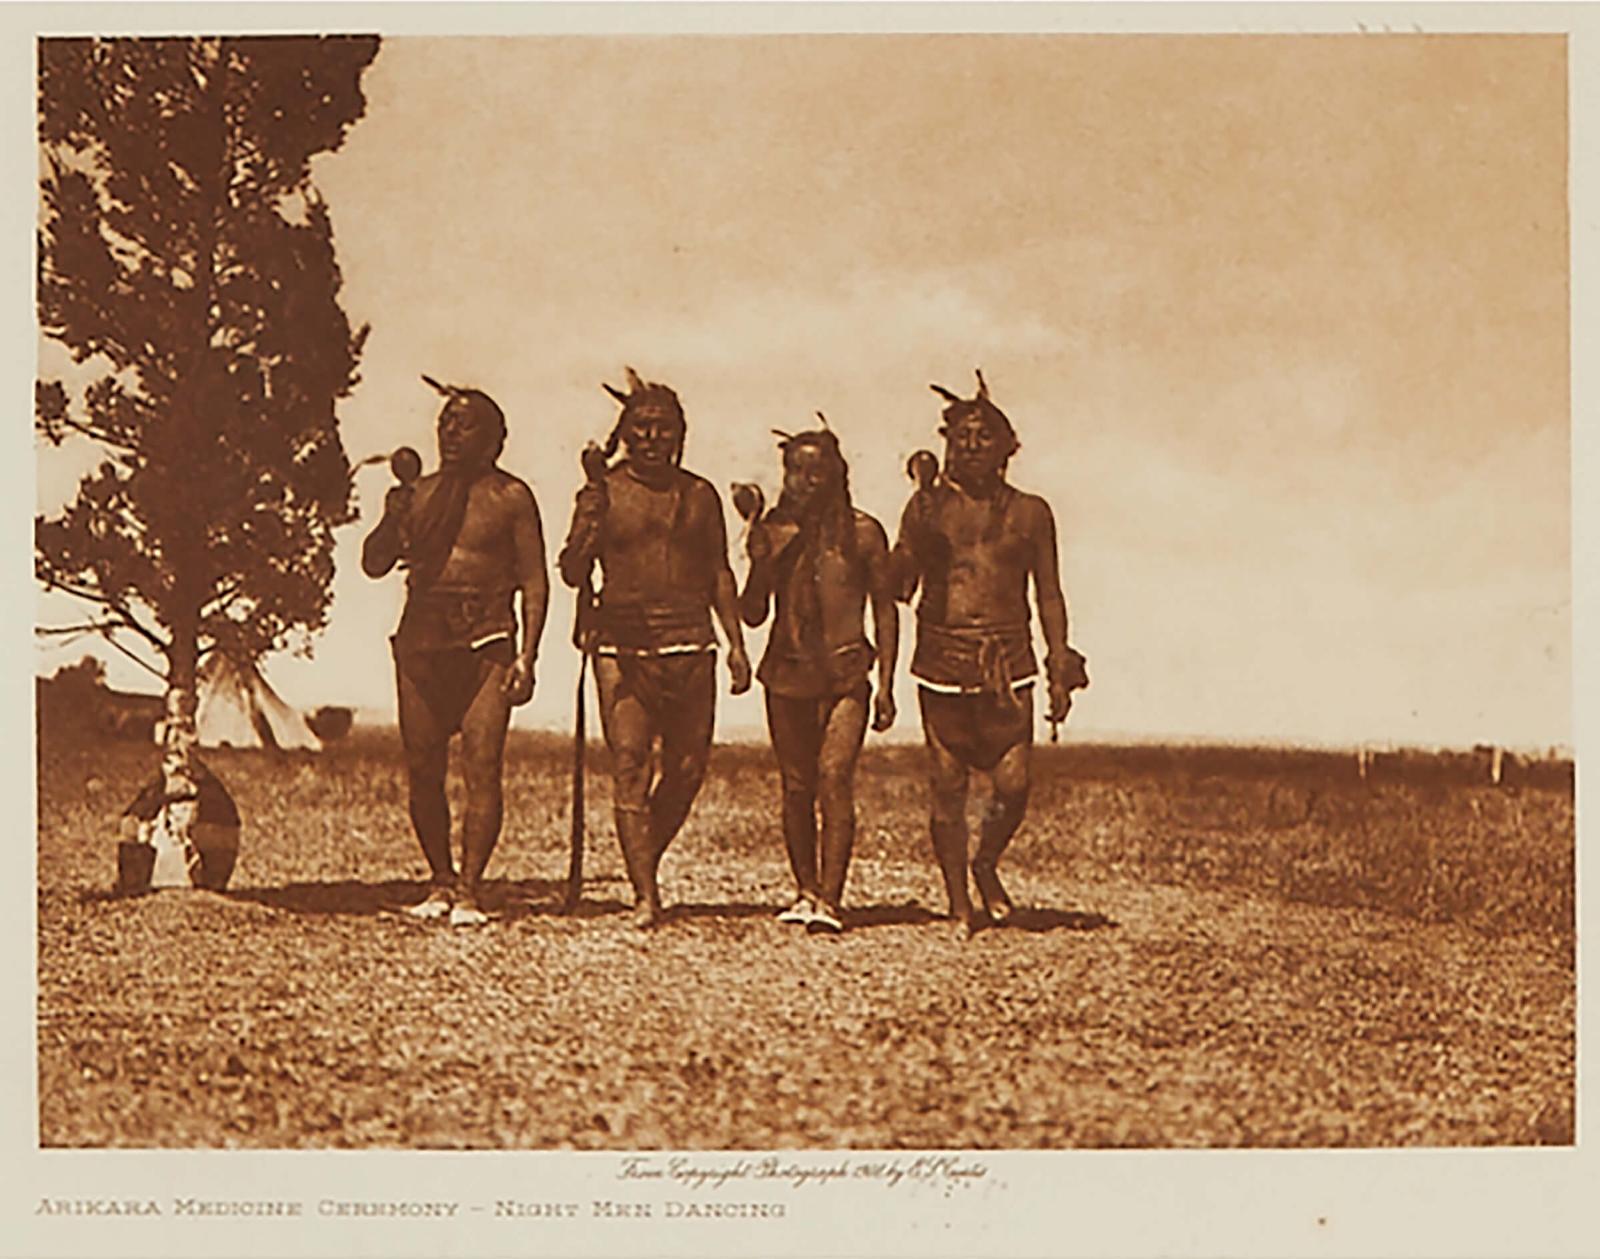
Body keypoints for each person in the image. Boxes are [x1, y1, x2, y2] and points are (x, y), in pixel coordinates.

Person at [892, 370, 1089, 935]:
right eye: (960, 438)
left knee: (1014, 785)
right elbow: (899, 586)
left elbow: (1048, 591)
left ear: (1008, 448)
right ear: (945, 447)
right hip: (941, 661)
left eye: (984, 437)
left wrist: (1058, 662)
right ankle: (958, 903)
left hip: (1009, 664)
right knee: (947, 787)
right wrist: (918, 530)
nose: (971, 447)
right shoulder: (926, 508)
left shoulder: (1031, 513)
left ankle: (984, 863)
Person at [558, 368, 752, 928]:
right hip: (622, 644)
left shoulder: (701, 495)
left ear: (680, 434)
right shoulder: (604, 491)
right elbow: (574, 570)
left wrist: (737, 643)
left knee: (688, 769)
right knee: (630, 766)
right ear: (624, 432)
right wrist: (592, 503)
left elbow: (718, 571)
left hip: (692, 641)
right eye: (641, 428)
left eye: (663, 429)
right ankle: (646, 892)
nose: (652, 438)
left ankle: (642, 857)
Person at [361, 377, 548, 926]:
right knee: (423, 767)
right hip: (421, 642)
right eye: (446, 422)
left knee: (482, 767)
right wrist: (393, 518)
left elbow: (535, 583)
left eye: (466, 425)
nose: (451, 432)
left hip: (487, 642)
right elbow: (373, 564)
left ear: (495, 439)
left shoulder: (512, 497)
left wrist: (528, 657)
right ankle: (440, 880)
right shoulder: (416, 496)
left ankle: (470, 889)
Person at [735, 420, 898, 934]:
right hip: (786, 673)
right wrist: (759, 559)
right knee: (797, 785)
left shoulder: (864, 533)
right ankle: (804, 890)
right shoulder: (775, 533)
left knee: (834, 776)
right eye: (795, 470)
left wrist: (888, 683)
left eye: (816, 471)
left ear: (836, 475)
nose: (805, 481)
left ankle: (830, 899)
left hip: (848, 672)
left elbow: (885, 611)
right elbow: (753, 613)